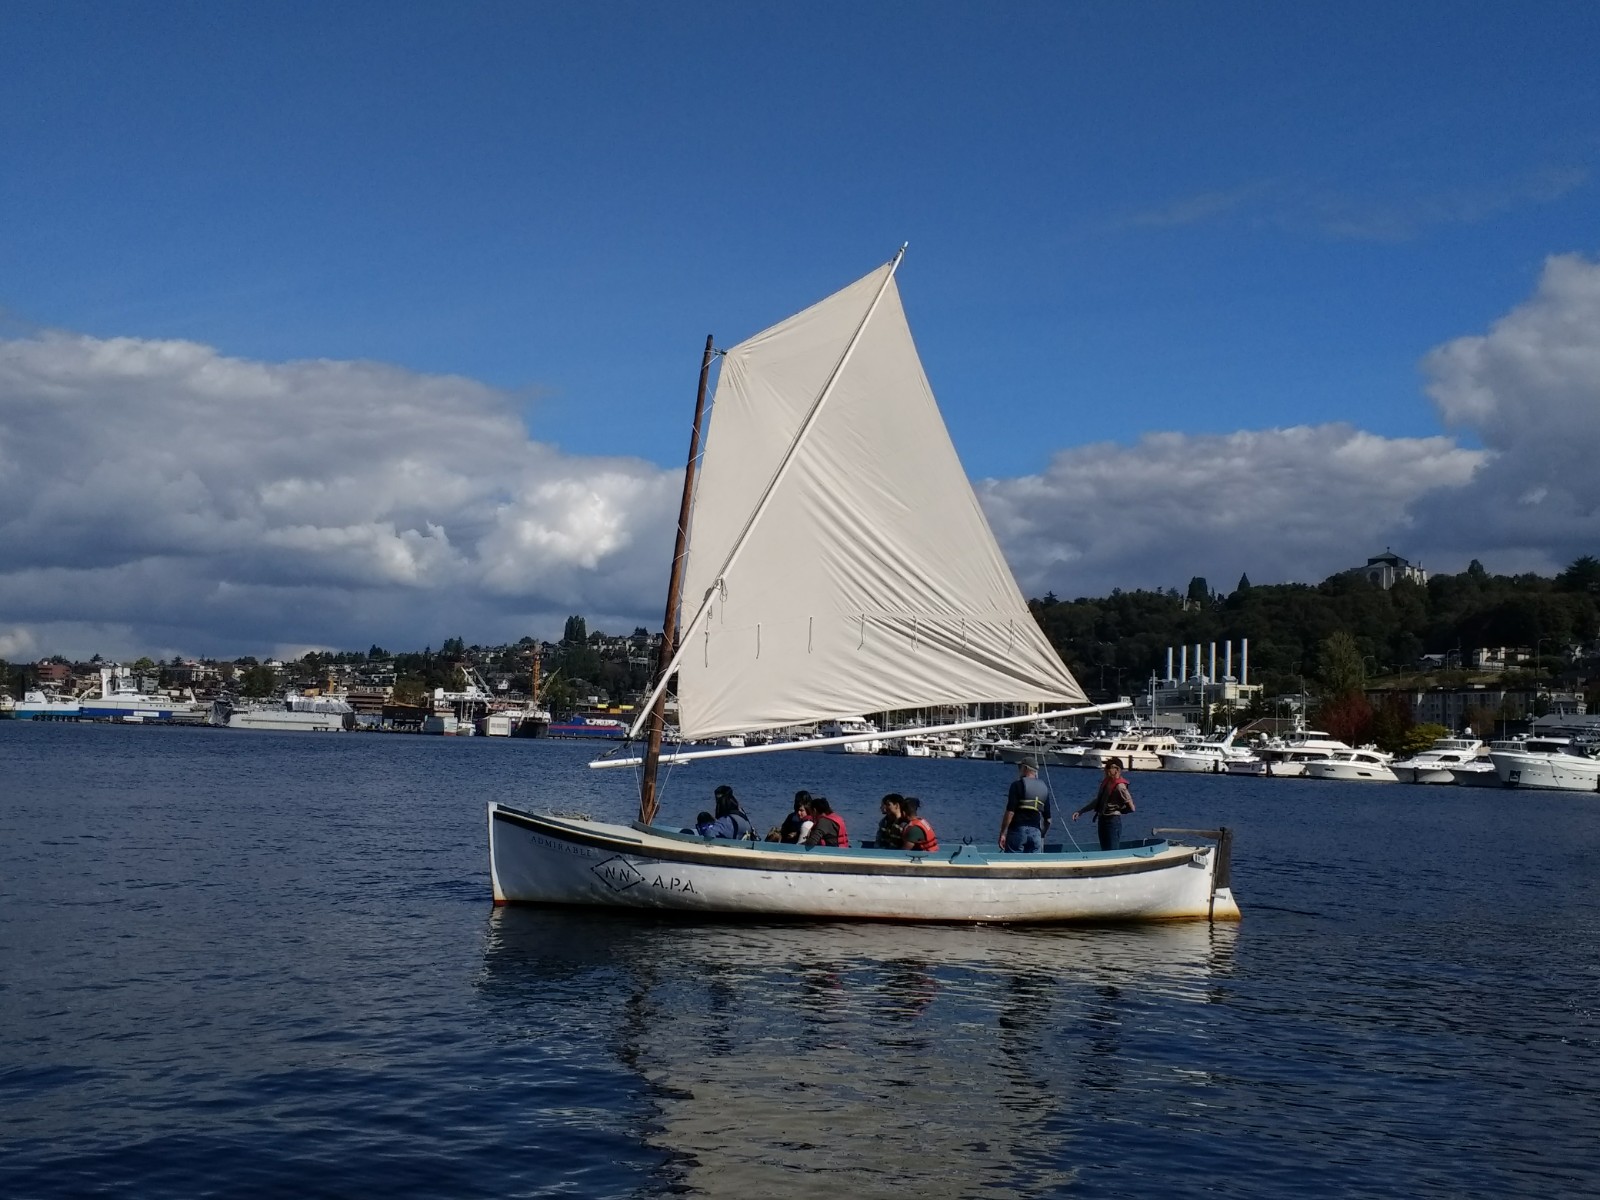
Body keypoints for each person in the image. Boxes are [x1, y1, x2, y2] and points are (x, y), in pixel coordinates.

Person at [1074, 758, 1135, 851]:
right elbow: (1098, 801)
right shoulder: (1107, 782)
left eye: (1108, 767)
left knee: (1112, 850)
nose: (1105, 770)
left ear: (1117, 769)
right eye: (1105, 767)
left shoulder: (1120, 787)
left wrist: (1119, 811)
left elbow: (1132, 807)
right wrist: (1081, 811)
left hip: (1112, 821)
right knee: (1105, 850)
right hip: (1102, 820)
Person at [998, 761, 1052, 853]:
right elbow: (1048, 820)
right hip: (1036, 832)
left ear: (1025, 768)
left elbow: (1010, 812)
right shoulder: (1044, 788)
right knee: (1034, 865)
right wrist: (1042, 834)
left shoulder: (1016, 785)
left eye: (1020, 767)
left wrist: (1002, 833)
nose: (1019, 770)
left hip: (1018, 830)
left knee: (1014, 863)